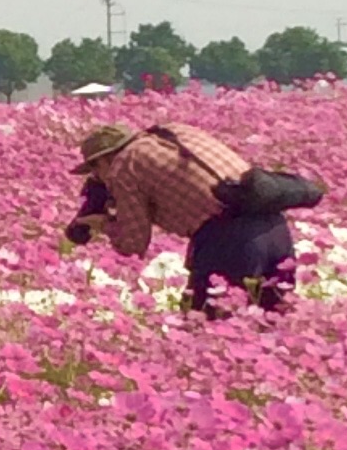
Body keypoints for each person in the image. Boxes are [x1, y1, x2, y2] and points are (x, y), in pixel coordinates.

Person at [65, 121, 322, 315]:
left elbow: (133, 244)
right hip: (274, 227)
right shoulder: (174, 132)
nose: (99, 179)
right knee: (272, 321)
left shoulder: (124, 165)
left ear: (104, 160)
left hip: (229, 239)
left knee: (205, 325)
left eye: (96, 170)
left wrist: (106, 224)